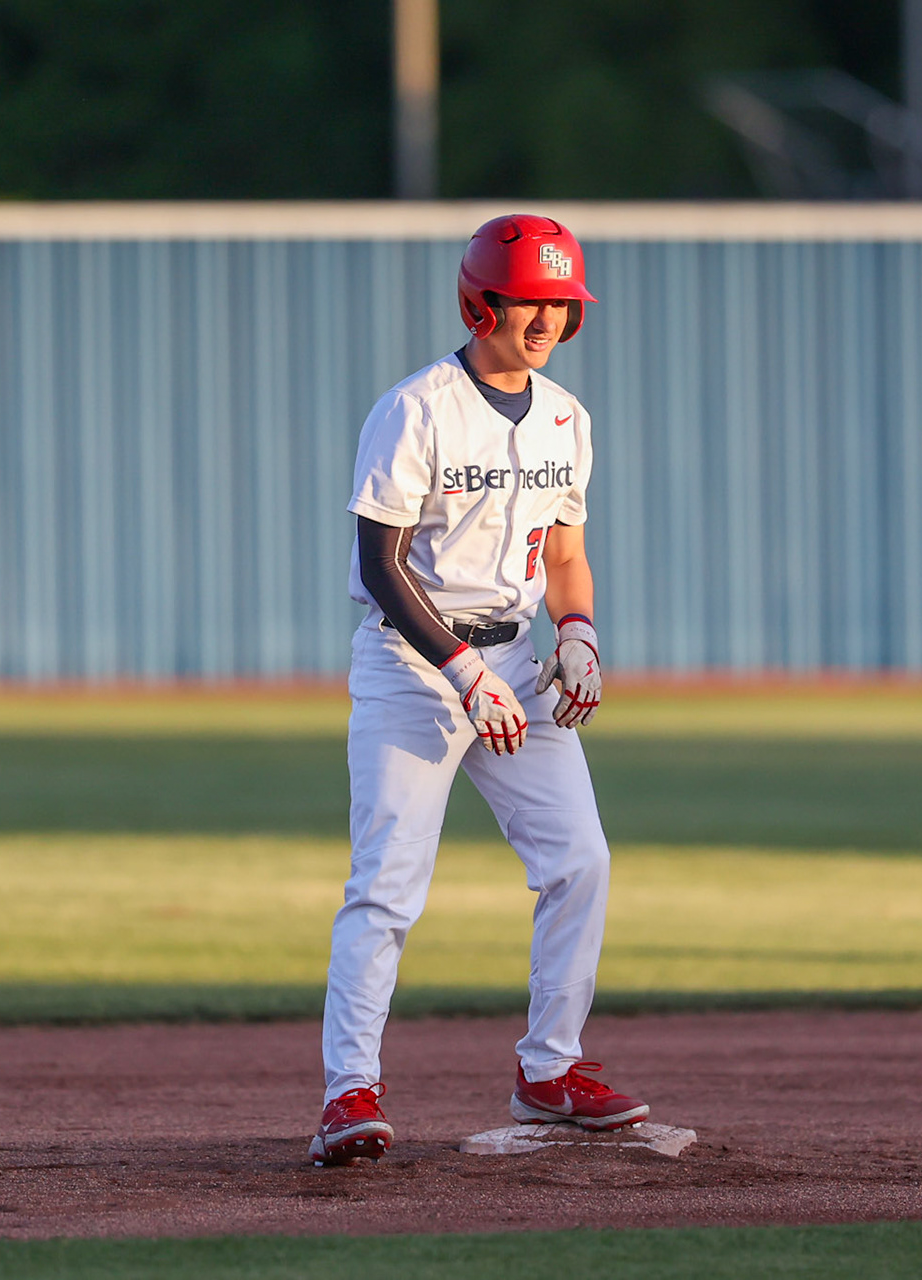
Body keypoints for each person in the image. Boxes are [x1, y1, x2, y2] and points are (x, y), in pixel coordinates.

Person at [310, 214, 649, 1167]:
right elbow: (380, 563)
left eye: (560, 301)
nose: (545, 317)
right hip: (416, 666)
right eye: (529, 297)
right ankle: (349, 1092)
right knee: (386, 885)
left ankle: (549, 1071)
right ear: (480, 299)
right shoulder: (415, 409)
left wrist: (577, 633)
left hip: (517, 668)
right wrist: (459, 669)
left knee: (581, 860)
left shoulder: (567, 418)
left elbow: (569, 554)